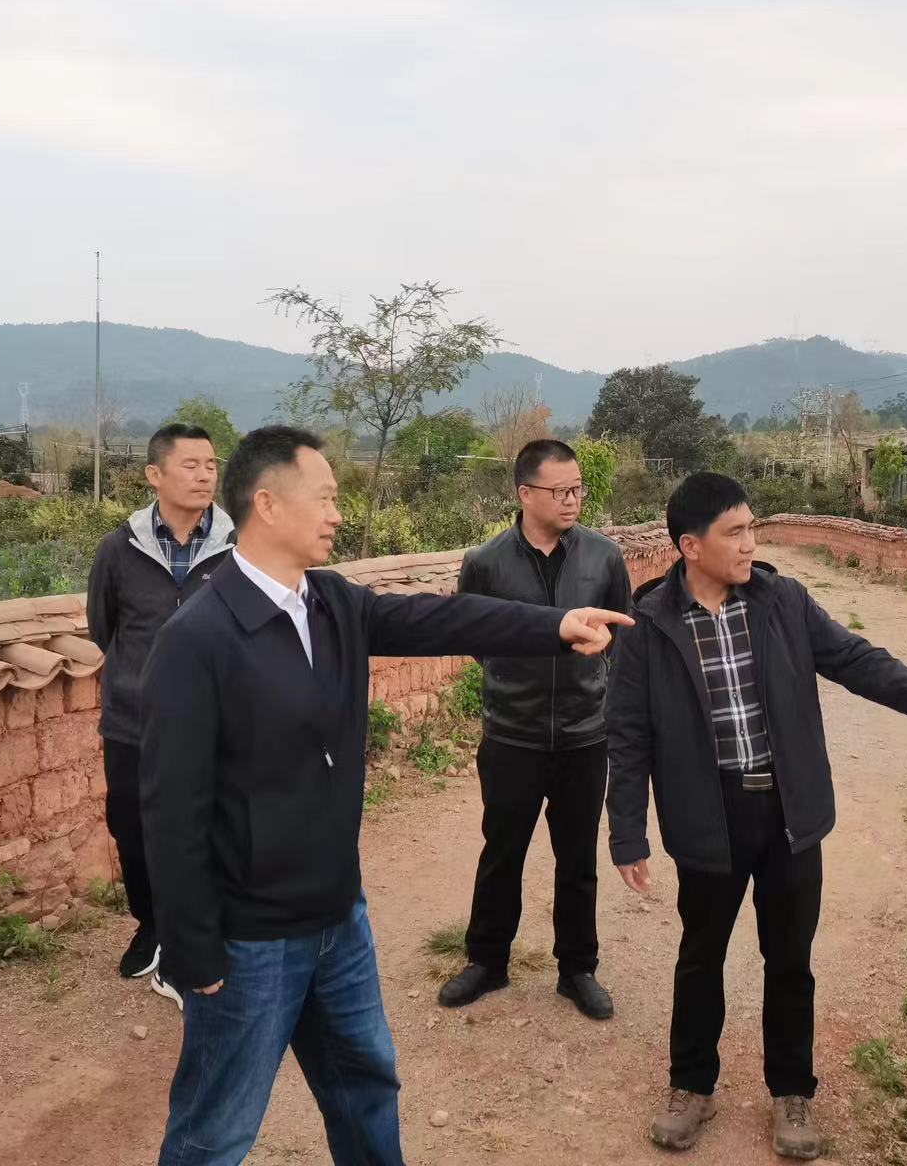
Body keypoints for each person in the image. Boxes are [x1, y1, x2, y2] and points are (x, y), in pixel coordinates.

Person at [139, 425, 633, 1166]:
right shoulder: (198, 638)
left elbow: (443, 617)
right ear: (267, 505)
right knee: (215, 1131)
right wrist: (191, 947)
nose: (337, 514)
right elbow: (170, 810)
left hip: (340, 917)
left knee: (365, 1090)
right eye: (325, 498)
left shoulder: (331, 602)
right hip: (251, 938)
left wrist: (556, 624)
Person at [605, 473, 907, 1159]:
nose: (751, 543)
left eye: (752, 527)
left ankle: (791, 1091)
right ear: (690, 546)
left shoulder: (782, 601)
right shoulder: (648, 626)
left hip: (787, 812)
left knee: (789, 959)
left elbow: (852, 658)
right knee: (700, 957)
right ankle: (691, 1085)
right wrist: (627, 831)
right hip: (706, 814)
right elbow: (627, 735)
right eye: (735, 532)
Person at [439, 439, 632, 1020]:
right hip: (512, 736)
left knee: (578, 859)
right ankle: (487, 961)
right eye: (560, 490)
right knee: (502, 852)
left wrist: (595, 674)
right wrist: (514, 679)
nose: (573, 500)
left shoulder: (604, 557)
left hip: (584, 735)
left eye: (578, 489)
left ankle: (578, 970)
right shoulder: (486, 562)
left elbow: (622, 631)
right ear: (525, 493)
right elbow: (474, 635)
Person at [84, 422, 234, 1006]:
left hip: (214, 723)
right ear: (155, 474)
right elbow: (104, 628)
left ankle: (201, 933)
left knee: (210, 826)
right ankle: (152, 923)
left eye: (211, 465)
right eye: (190, 464)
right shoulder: (118, 550)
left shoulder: (237, 548)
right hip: (134, 723)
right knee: (132, 826)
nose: (204, 475)